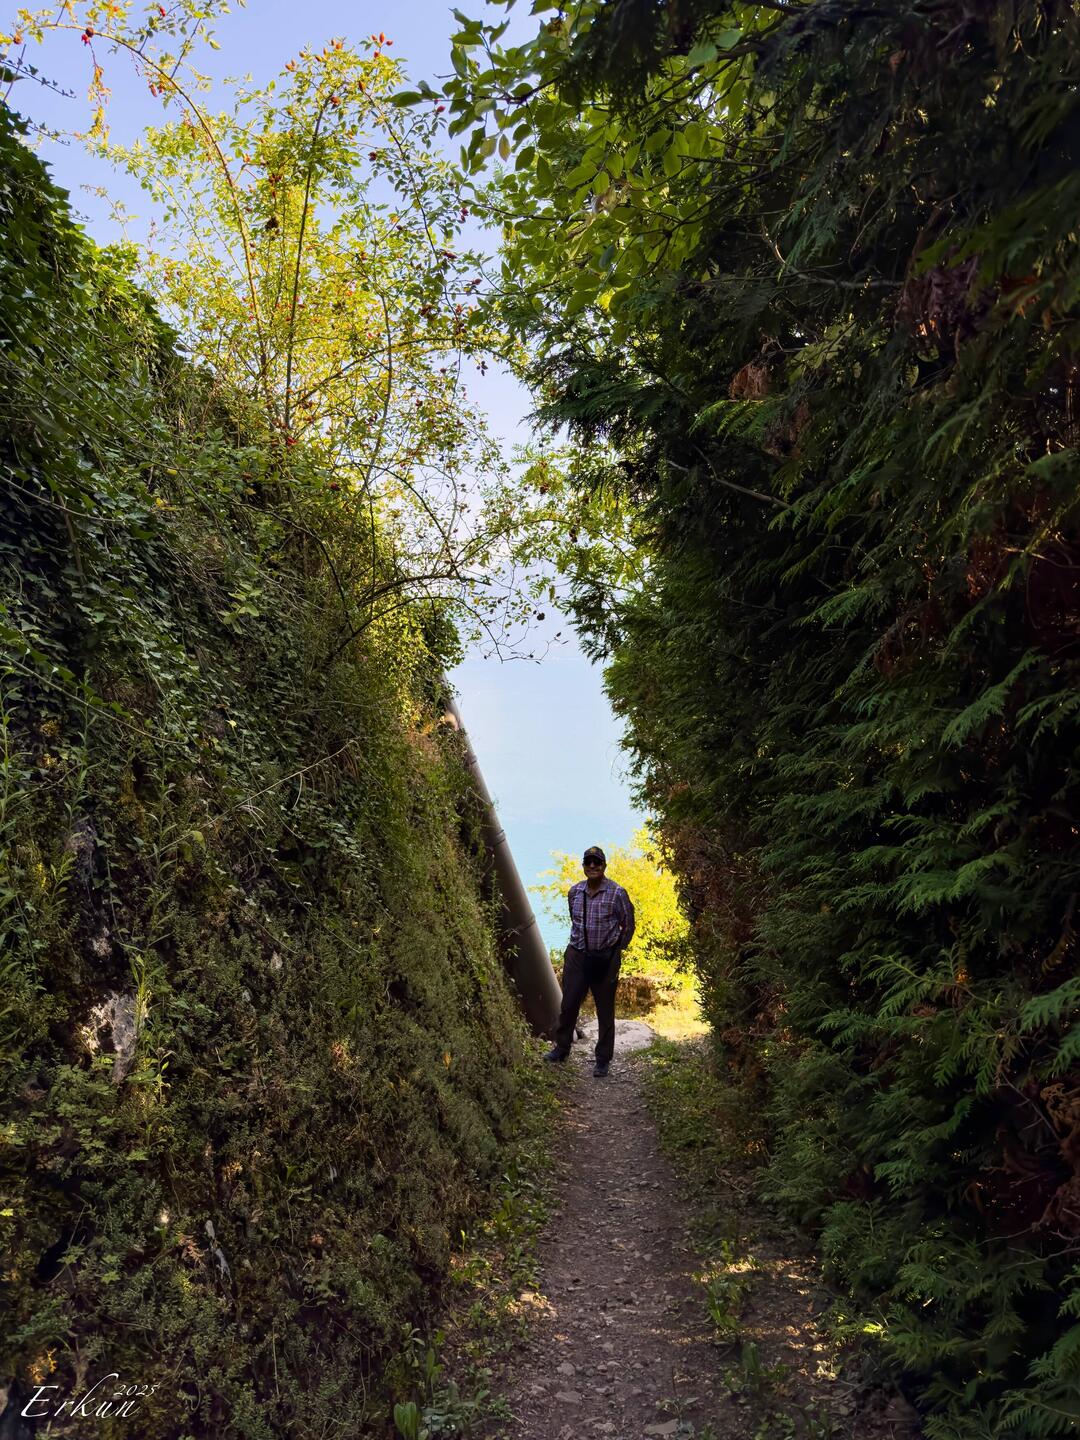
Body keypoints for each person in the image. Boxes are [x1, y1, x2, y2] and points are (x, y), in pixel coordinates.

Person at [544, 846, 635, 1078]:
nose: (592, 866)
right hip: (577, 955)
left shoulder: (617, 893)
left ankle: (602, 1060)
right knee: (569, 1005)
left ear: (604, 866)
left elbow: (628, 924)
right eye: (588, 862)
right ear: (584, 866)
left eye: (597, 862)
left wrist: (616, 951)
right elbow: (575, 921)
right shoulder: (575, 892)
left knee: (605, 1010)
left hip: (605, 958)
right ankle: (561, 1048)